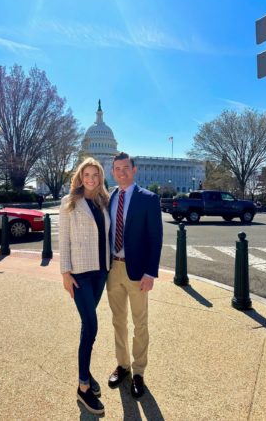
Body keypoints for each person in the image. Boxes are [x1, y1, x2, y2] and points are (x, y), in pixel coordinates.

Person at [107, 152, 163, 398]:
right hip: (113, 269)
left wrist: (150, 272)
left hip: (137, 271)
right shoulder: (110, 197)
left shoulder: (148, 199)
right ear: (113, 171)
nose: (122, 172)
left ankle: (139, 371)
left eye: (126, 168)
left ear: (134, 169)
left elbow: (155, 238)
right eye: (117, 168)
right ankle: (123, 365)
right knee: (118, 321)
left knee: (140, 323)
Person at [59, 157, 110, 415]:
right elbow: (63, 240)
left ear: (100, 178)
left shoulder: (104, 201)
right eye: (86, 175)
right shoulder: (69, 203)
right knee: (91, 326)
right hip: (80, 274)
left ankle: (85, 371)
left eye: (95, 175)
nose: (91, 179)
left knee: (86, 326)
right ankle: (82, 387)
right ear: (80, 177)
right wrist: (65, 273)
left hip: (101, 272)